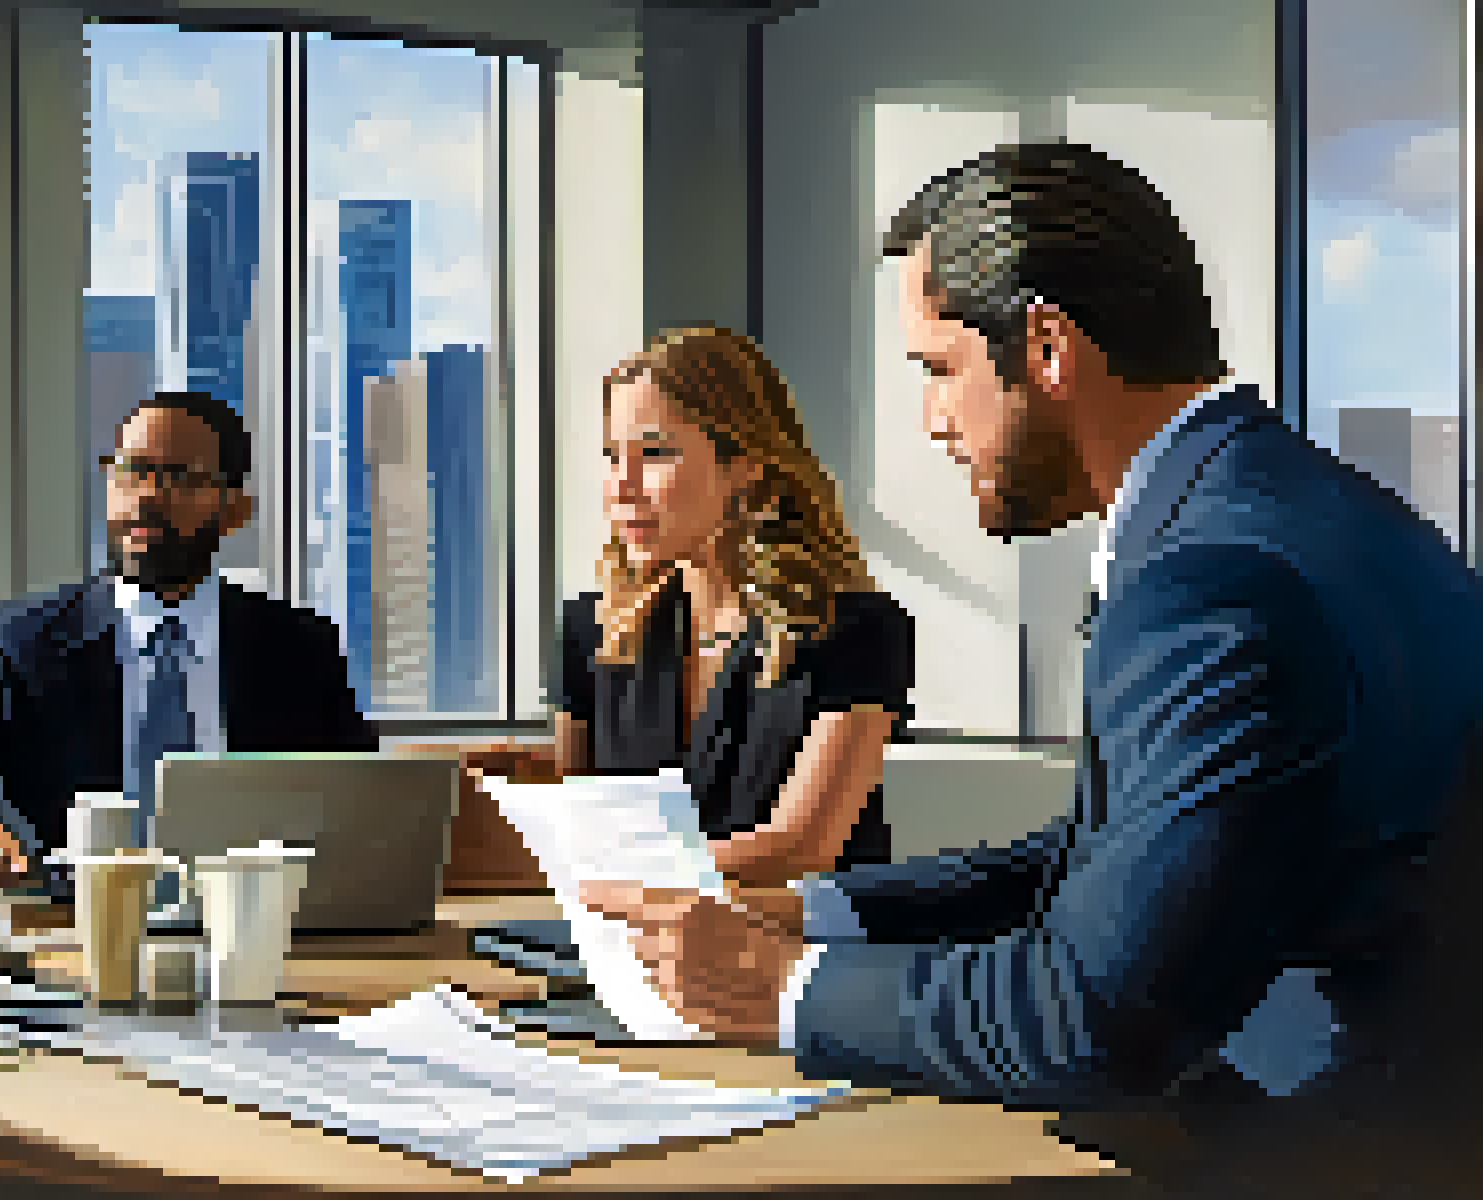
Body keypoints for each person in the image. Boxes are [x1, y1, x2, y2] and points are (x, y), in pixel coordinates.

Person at [580, 143, 1483, 1189]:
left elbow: (1094, 1020)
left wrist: (784, 988)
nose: (930, 421)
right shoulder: (1292, 511)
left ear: (1047, 348)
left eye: (937, 369)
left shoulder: (1214, 580)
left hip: (1311, 1152)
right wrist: (822, 912)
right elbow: (1127, 854)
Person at [0, 390, 376, 896]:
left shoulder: (299, 648)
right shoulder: (12, 644)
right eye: (130, 470)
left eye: (178, 476)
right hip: (71, 932)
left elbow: (366, 804)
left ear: (235, 510)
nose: (147, 496)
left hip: (257, 927)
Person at [466, 328, 912, 886]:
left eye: (654, 453)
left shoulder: (853, 629)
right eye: (611, 456)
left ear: (746, 463)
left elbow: (802, 847)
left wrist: (603, 869)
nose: (622, 487)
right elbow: (584, 821)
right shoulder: (592, 631)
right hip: (626, 947)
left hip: (788, 952)